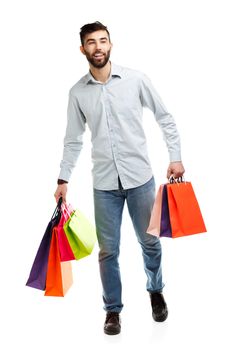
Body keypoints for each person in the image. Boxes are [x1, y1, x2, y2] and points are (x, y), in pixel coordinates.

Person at [54, 21, 185, 335]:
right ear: (82, 48)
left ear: (110, 44)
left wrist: (175, 156)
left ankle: (155, 291)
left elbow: (164, 117)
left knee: (150, 243)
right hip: (104, 186)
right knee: (108, 251)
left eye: (103, 41)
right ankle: (112, 311)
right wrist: (63, 178)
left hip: (140, 179)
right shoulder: (77, 93)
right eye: (91, 42)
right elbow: (73, 139)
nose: (98, 47)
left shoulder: (135, 80)